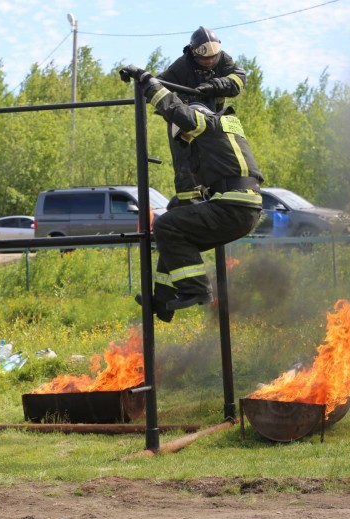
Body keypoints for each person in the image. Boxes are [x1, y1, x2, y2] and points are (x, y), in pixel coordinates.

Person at [120, 66, 263, 322]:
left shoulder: (205, 123)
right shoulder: (223, 129)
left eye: (185, 135)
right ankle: (163, 301)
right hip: (241, 207)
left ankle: (197, 289)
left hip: (234, 207)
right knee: (175, 225)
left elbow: (176, 109)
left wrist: (147, 81)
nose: (185, 140)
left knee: (166, 226)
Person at [157, 26, 247, 208]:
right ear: (193, 52)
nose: (210, 61)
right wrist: (180, 102)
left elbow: (239, 79)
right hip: (186, 121)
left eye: (213, 57)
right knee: (185, 162)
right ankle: (187, 204)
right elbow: (159, 84)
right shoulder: (182, 65)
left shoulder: (223, 59)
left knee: (219, 157)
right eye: (205, 59)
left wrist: (215, 85)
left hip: (213, 121)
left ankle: (215, 196)